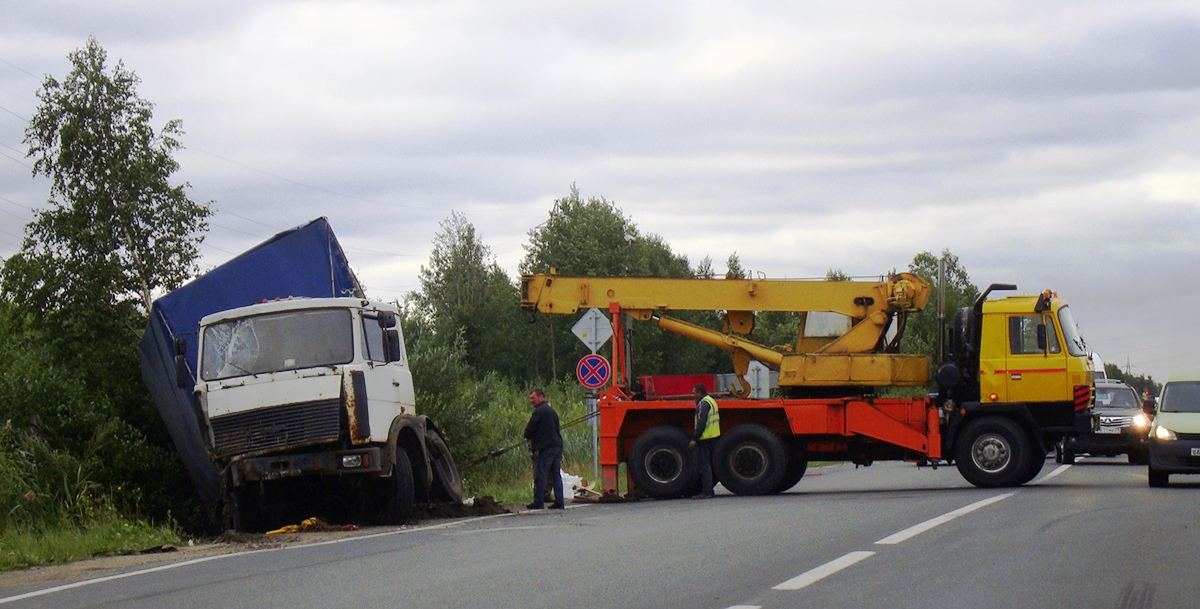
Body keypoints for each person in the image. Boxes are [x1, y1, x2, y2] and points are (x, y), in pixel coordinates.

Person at [523, 388, 565, 510]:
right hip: (557, 445)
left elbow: (530, 429)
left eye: (533, 398)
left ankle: (538, 502)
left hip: (547, 447)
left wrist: (529, 437)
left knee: (541, 474)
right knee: (555, 474)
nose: (531, 401)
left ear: (541, 397)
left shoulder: (539, 411)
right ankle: (559, 501)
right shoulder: (551, 411)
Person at [688, 383, 721, 499]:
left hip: (706, 438)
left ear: (699, 392)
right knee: (710, 465)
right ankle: (709, 490)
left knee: (705, 466)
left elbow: (701, 422)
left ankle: (707, 491)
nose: (693, 395)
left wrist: (694, 438)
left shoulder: (703, 404)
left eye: (694, 393)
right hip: (714, 436)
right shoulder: (711, 400)